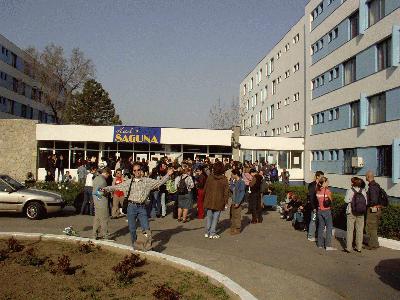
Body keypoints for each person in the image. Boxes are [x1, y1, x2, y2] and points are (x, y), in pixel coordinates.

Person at [103, 162, 173, 249]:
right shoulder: (129, 182)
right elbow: (117, 187)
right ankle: (135, 245)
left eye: (138, 170)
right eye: (135, 170)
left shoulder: (147, 181)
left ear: (141, 170)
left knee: (146, 228)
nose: (137, 172)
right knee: (132, 229)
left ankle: (147, 246)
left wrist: (168, 175)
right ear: (133, 172)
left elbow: (159, 183)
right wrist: (105, 189)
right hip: (131, 207)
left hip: (142, 208)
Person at [203, 161, 229, 239]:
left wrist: (204, 198)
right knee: (215, 218)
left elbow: (205, 188)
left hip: (209, 199)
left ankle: (207, 232)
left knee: (209, 216)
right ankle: (212, 232)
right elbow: (226, 192)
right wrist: (226, 202)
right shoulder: (224, 179)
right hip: (219, 200)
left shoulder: (210, 177)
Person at [344, 177, 367, 253]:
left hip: (351, 212)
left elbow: (346, 200)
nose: (351, 183)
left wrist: (351, 200)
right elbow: (366, 203)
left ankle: (348, 248)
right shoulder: (363, 191)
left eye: (352, 182)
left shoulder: (350, 190)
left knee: (350, 230)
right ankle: (359, 247)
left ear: (353, 183)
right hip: (361, 212)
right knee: (360, 230)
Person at [365, 170, 385, 250]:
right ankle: (375, 243)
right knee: (374, 227)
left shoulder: (372, 187)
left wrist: (367, 204)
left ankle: (372, 245)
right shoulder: (377, 185)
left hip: (373, 209)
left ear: (368, 177)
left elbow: (373, 200)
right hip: (378, 209)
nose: (365, 177)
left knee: (370, 227)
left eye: (366, 176)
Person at [316, 176, 336, 250]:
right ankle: (328, 245)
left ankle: (320, 244)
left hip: (319, 210)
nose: (328, 183)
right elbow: (331, 200)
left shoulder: (317, 191)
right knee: (329, 228)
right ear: (324, 183)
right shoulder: (327, 191)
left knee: (321, 227)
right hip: (326, 210)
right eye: (327, 182)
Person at [92, 167, 112, 240]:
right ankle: (105, 235)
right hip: (102, 202)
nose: (108, 177)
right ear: (106, 173)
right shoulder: (103, 181)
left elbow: (95, 191)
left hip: (96, 202)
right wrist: (107, 192)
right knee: (104, 219)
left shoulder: (96, 178)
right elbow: (99, 192)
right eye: (108, 175)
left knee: (97, 219)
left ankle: (94, 235)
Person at [307, 170, 324, 242]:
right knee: (313, 220)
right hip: (314, 207)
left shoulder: (321, 185)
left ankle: (316, 235)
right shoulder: (312, 185)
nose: (323, 178)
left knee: (318, 221)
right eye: (321, 177)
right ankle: (310, 235)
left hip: (320, 207)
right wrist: (313, 207)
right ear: (317, 176)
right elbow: (311, 197)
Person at [229, 169, 245, 235]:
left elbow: (242, 192)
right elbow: (232, 189)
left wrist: (238, 202)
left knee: (237, 215)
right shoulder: (234, 181)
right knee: (232, 214)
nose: (231, 175)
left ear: (236, 174)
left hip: (237, 201)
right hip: (233, 200)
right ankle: (233, 227)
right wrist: (231, 183)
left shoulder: (241, 182)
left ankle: (237, 229)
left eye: (232, 174)